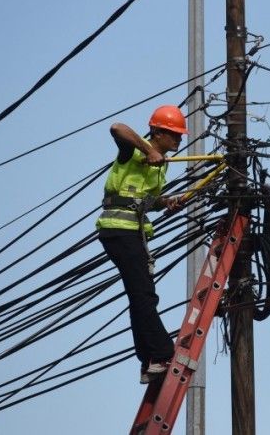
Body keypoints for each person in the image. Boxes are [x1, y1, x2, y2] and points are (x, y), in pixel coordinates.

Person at [96, 105, 187, 384]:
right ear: (158, 133)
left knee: (140, 296)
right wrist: (148, 150)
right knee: (145, 296)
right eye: (174, 136)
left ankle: (149, 361)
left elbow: (144, 200)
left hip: (131, 232)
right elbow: (117, 128)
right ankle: (161, 353)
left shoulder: (160, 167)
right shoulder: (133, 151)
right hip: (120, 230)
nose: (179, 142)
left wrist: (165, 202)